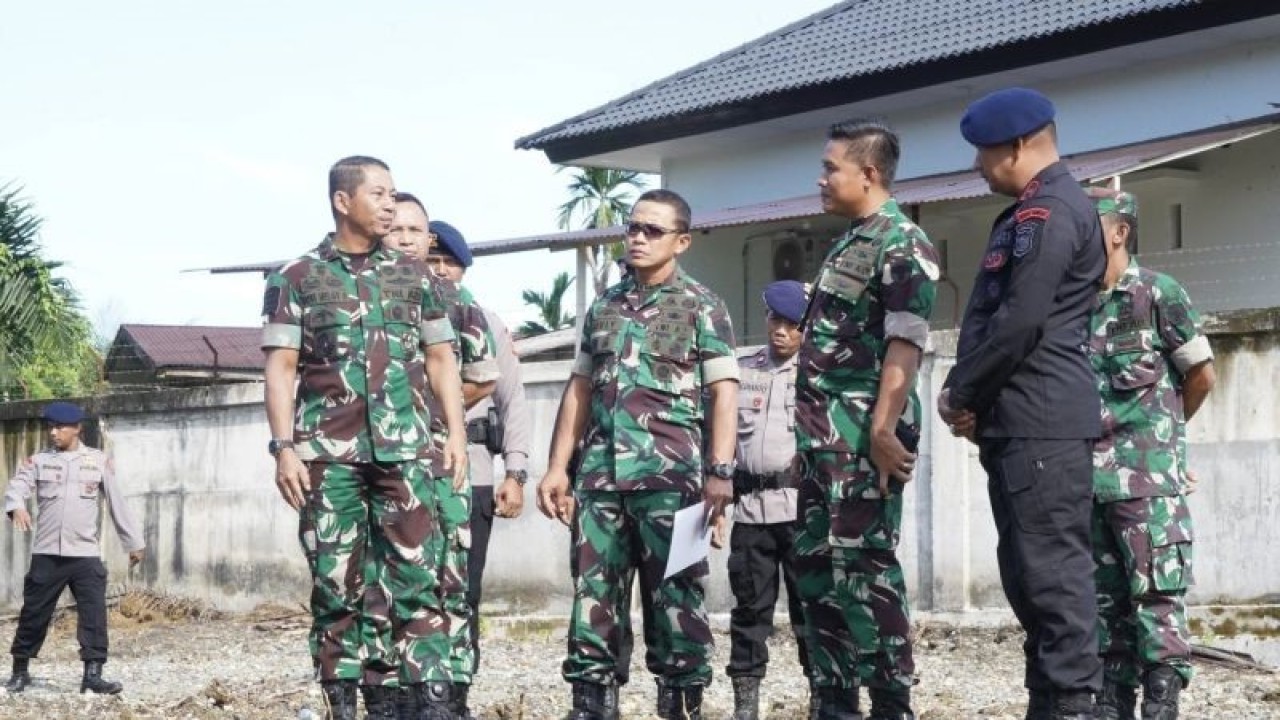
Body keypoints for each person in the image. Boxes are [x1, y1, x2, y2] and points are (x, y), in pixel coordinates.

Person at [261, 155, 468, 720]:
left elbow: (442, 358)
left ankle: (427, 704)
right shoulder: (297, 277)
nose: (389, 205)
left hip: (406, 450)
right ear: (341, 200)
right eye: (378, 194)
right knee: (336, 586)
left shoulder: (415, 275)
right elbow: (280, 368)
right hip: (328, 457)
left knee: (418, 581)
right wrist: (283, 448)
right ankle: (349, 705)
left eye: (393, 194)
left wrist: (455, 436)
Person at [536, 188, 739, 720]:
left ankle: (681, 705)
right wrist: (557, 467)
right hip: (600, 479)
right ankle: (592, 704)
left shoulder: (704, 306)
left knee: (679, 601)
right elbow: (579, 388)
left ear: (681, 241)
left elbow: (725, 393)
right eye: (633, 227)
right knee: (593, 599)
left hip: (677, 481)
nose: (639, 237)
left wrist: (720, 473)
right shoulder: (604, 307)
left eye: (653, 230)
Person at [939, 88, 1106, 720]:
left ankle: (1072, 707)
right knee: (1029, 582)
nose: (979, 167)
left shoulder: (1052, 211)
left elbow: (1020, 320)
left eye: (984, 153)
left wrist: (962, 391)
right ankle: (1051, 703)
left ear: (1017, 146)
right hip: (1019, 425)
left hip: (1041, 422)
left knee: (1054, 581)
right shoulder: (1028, 212)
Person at [793, 118, 938, 720]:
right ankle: (833, 697)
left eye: (831, 168)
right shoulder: (851, 241)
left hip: (861, 436)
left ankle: (889, 700)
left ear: (869, 173)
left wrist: (882, 429)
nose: (821, 178)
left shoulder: (902, 244)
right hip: (821, 436)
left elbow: (906, 344)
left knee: (864, 564)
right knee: (817, 565)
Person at [1084, 188, 1215, 720]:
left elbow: (1202, 376)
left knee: (1158, 601)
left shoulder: (1159, 294)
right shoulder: (1070, 306)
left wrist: (1164, 440)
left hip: (1148, 484)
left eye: (1087, 226)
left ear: (1119, 231)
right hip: (1087, 487)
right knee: (1102, 609)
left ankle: (1161, 706)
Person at [382, 196, 499, 719]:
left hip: (438, 465)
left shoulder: (453, 298)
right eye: (397, 227)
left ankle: (449, 696)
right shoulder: (361, 294)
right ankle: (391, 694)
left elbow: (483, 376)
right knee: (384, 585)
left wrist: (429, 415)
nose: (405, 238)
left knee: (449, 583)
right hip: (379, 469)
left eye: (416, 230)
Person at [425, 217, 530, 717]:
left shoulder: (483, 320)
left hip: (475, 480)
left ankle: (457, 695)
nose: (441, 270)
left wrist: (516, 470)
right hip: (410, 478)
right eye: (433, 260)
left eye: (450, 263)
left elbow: (511, 400)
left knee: (463, 593)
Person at [3, 402, 145, 696]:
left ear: (77, 428)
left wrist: (133, 543)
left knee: (94, 615)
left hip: (84, 555)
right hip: (47, 554)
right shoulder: (39, 461)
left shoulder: (97, 461)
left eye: (60, 427)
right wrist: (16, 506)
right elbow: (17, 487)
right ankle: (20, 671)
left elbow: (117, 503)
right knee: (33, 614)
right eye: (50, 427)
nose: (53, 433)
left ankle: (92, 675)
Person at [726, 280, 815, 720]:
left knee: (811, 612)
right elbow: (719, 436)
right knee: (748, 614)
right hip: (749, 513)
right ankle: (746, 707)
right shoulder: (743, 371)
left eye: (791, 323)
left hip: (802, 515)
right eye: (774, 319)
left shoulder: (818, 372)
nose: (779, 330)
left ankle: (823, 698)